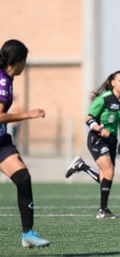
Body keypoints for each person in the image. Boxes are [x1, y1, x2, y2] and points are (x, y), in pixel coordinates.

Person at [0, 39, 50, 248]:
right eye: (25, 60)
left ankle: (27, 234)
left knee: (23, 178)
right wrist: (28, 114)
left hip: (1, 143)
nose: (26, 65)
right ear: (17, 61)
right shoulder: (3, 82)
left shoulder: (7, 79)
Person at [65, 70, 120, 218]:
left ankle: (81, 166)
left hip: (112, 140)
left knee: (107, 175)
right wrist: (100, 129)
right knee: (109, 172)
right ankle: (102, 210)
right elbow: (88, 118)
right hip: (97, 138)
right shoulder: (104, 98)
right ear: (113, 82)